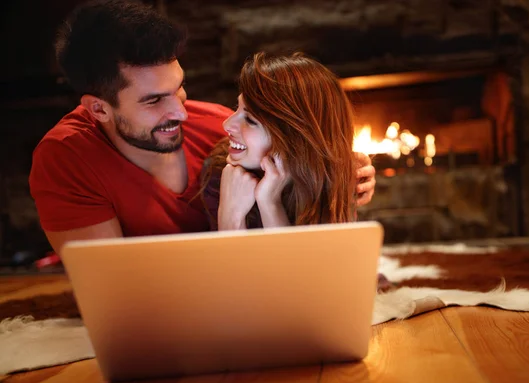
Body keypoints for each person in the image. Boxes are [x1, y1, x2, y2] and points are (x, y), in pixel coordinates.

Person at [28, 0, 376, 255]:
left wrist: (342, 170)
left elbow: (293, 145)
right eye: (154, 101)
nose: (180, 112)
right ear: (99, 109)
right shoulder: (66, 157)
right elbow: (114, 290)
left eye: (178, 88)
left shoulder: (214, 125)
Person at [200, 52, 358, 230]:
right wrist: (231, 216)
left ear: (294, 140)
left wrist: (269, 202)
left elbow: (308, 259)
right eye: (237, 108)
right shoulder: (221, 172)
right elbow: (228, 259)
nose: (227, 124)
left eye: (250, 120)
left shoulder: (333, 178)